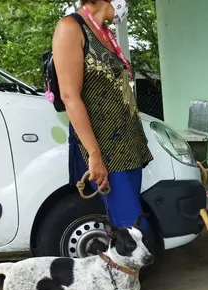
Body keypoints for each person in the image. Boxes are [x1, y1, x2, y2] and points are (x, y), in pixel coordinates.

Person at [52, 0, 153, 229]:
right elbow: (69, 96)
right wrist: (94, 155)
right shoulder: (71, 27)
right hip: (105, 150)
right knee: (134, 230)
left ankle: (124, 265)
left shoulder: (104, 32)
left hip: (128, 147)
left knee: (129, 226)